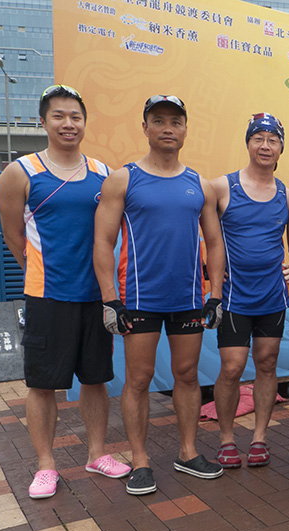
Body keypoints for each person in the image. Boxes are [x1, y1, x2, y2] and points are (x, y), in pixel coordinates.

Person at [0, 85, 130, 499]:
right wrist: (39, 274)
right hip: (47, 296)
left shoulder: (104, 173)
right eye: (59, 116)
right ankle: (46, 465)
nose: (68, 124)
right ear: (43, 121)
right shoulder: (20, 172)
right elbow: (13, 236)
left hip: (96, 296)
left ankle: (97, 454)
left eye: (75, 116)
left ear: (85, 122)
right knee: (42, 384)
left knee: (95, 379)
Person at [94, 95, 225, 495]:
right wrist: (110, 299)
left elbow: (214, 243)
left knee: (187, 375)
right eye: (159, 121)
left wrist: (215, 294)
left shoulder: (199, 184)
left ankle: (188, 452)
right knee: (139, 379)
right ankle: (140, 461)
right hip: (138, 298)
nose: (168, 128)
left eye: (175, 121)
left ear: (185, 129)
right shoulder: (123, 179)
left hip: (188, 298)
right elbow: (102, 241)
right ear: (145, 127)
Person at [210, 113, 289, 469]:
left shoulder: (288, 195)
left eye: (272, 139)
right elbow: (201, 234)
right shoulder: (221, 187)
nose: (265, 145)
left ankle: (260, 437)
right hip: (234, 296)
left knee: (267, 364)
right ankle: (226, 439)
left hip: (272, 296)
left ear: (280, 148)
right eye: (258, 138)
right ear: (248, 143)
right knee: (231, 368)